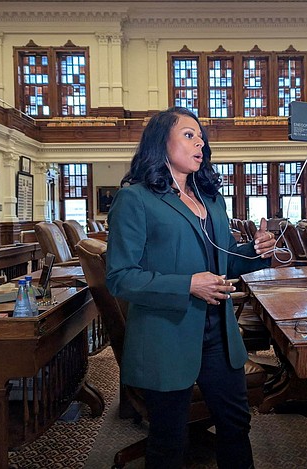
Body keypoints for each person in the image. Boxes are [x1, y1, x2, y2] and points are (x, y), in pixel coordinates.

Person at [106, 106, 277, 469]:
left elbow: (225, 261)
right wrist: (187, 285)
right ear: (160, 141)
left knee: (236, 424)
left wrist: (257, 252)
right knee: (169, 439)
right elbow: (121, 277)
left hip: (219, 332)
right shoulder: (135, 199)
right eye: (188, 135)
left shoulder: (211, 199)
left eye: (201, 137)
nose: (199, 142)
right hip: (166, 335)